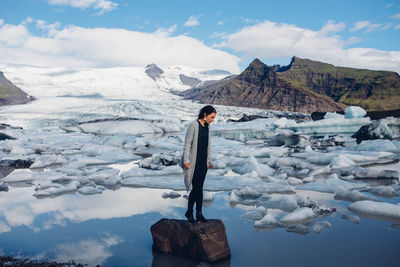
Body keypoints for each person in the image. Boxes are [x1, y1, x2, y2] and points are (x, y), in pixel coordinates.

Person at [181, 105, 216, 223]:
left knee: (199, 188)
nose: (213, 120)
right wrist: (186, 161)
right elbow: (187, 145)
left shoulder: (207, 127)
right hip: (193, 163)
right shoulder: (193, 126)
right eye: (211, 117)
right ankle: (192, 212)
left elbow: (208, 146)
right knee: (196, 188)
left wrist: (209, 161)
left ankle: (197, 213)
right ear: (205, 115)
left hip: (203, 163)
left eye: (214, 118)